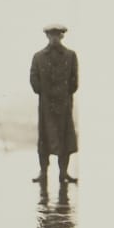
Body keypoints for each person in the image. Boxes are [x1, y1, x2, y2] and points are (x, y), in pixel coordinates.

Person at [30, 23, 79, 184]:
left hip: (64, 105)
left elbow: (74, 81)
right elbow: (34, 79)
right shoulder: (38, 57)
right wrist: (44, 93)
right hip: (46, 106)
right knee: (44, 140)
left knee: (65, 140)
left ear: (61, 36)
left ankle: (63, 173)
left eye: (57, 35)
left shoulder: (70, 55)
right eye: (51, 35)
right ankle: (43, 173)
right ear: (47, 36)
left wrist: (63, 94)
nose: (54, 38)